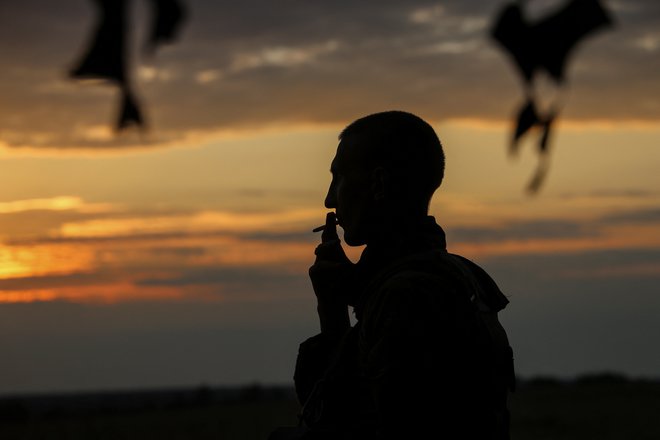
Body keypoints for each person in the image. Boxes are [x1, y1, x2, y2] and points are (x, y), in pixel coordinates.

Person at [271, 111, 514, 440]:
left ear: (379, 184)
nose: (329, 199)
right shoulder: (457, 275)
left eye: (338, 178)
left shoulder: (406, 297)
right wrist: (334, 309)